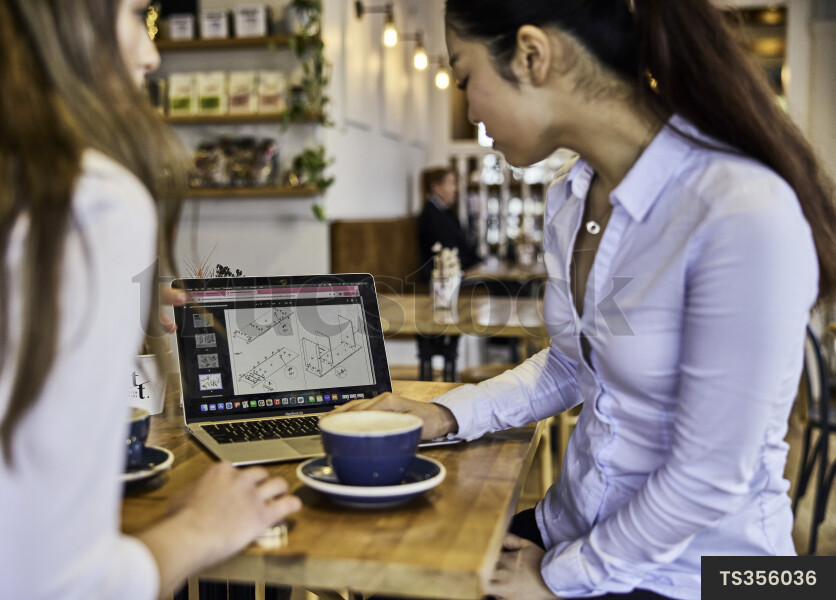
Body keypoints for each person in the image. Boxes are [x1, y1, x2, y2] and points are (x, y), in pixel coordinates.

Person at [331, 0, 836, 599]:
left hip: (701, 572)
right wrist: (448, 413)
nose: (468, 108)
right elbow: (576, 362)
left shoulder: (738, 210)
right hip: (574, 529)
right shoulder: (574, 201)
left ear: (532, 55)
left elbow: (709, 477)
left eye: (466, 77)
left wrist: (558, 579)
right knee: (391, 566)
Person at [0, 1, 300, 599]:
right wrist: (199, 529)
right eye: (136, 13)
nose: (152, 54)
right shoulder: (87, 205)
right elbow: (46, 587)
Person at [417, 167, 480, 283]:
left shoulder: (446, 212)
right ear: (436, 187)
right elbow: (446, 250)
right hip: (441, 278)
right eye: (451, 183)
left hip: (457, 271)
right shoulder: (431, 216)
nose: (455, 188)